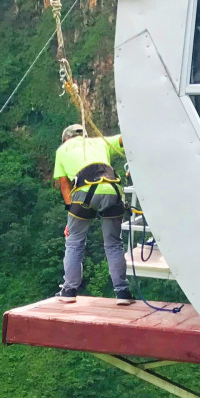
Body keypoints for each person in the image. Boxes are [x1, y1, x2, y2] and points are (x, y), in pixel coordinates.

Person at [53, 123, 133, 305]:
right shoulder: (100, 142)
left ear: (66, 138)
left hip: (84, 191)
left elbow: (65, 185)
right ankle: (123, 293)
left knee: (74, 241)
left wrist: (70, 213)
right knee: (114, 243)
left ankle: (69, 290)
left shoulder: (62, 150)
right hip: (112, 190)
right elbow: (125, 138)